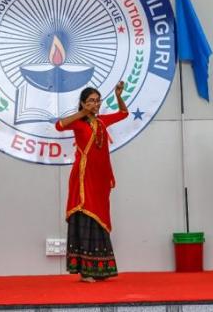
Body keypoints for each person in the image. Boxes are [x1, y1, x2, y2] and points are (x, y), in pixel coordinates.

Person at [55, 82, 128, 282]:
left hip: (100, 178)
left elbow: (123, 113)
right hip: (83, 176)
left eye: (97, 101)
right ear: (83, 103)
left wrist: (118, 96)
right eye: (91, 101)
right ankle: (86, 271)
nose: (95, 104)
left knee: (99, 219)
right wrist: (82, 112)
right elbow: (59, 125)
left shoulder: (102, 121)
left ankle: (100, 269)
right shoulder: (78, 123)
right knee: (86, 215)